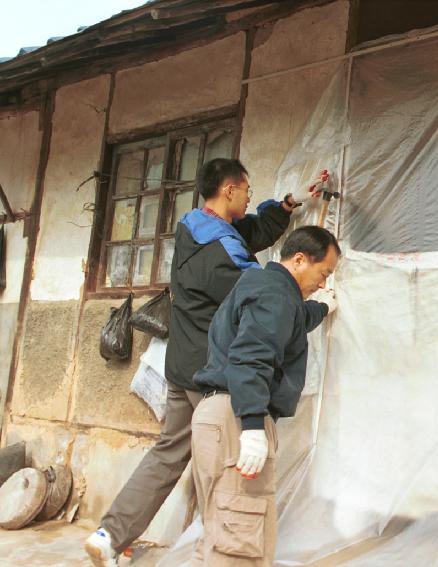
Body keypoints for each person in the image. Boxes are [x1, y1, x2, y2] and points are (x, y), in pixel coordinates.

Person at [86, 159, 304, 565]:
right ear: (229, 190)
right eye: (247, 189)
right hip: (210, 373)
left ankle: (108, 535)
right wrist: (307, 304)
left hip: (179, 364)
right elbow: (261, 294)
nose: (250, 195)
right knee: (222, 467)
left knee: (169, 452)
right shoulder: (224, 252)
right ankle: (218, 553)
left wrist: (287, 205)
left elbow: (251, 231)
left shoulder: (196, 227)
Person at [190, 226, 340, 565]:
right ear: (300, 260)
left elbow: (292, 319)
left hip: (221, 413)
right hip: (238, 417)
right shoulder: (276, 296)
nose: (323, 283)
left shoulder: (264, 287)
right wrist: (253, 426)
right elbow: (251, 356)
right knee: (238, 545)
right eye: (324, 273)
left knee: (221, 535)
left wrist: (321, 308)